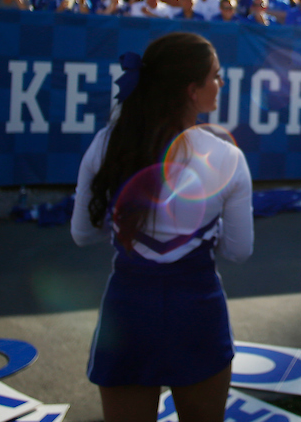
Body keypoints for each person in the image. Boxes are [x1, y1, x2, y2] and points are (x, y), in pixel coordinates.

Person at [70, 33, 253, 422]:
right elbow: (239, 251)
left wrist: (129, 228)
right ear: (192, 90)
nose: (220, 83)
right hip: (197, 313)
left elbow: (83, 234)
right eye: (215, 76)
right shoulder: (227, 157)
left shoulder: (107, 143)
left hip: (127, 314)